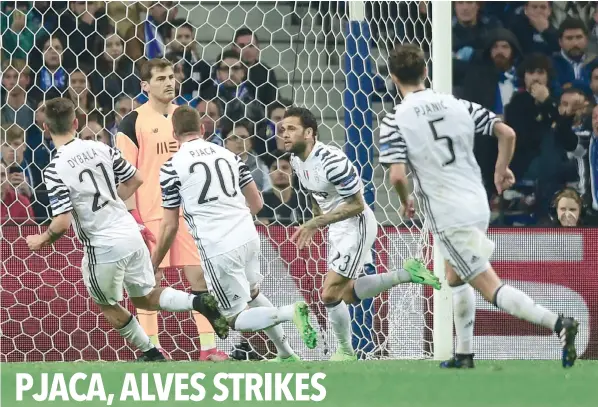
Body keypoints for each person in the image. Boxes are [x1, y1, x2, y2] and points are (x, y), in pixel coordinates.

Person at [379, 44, 579, 369]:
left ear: (393, 78)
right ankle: (464, 354)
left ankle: (558, 323)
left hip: (448, 213)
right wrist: (501, 170)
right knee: (455, 275)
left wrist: (406, 200)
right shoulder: (456, 104)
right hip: (477, 201)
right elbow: (507, 133)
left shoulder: (395, 120)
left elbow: (397, 174)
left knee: (488, 285)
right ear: (426, 72)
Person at [25, 98, 227, 362]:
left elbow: (61, 222)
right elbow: (137, 178)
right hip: (130, 232)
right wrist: (113, 203)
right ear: (76, 123)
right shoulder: (101, 148)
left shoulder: (54, 169)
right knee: (145, 298)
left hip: (102, 244)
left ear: (45, 128)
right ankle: (198, 303)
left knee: (106, 303)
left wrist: (42, 239)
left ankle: (151, 353)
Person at [151, 105, 317, 361]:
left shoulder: (172, 167)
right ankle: (286, 354)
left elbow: (170, 225)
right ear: (203, 129)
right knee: (253, 295)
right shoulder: (230, 156)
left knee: (234, 318)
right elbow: (258, 205)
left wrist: (154, 263)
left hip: (219, 247)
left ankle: (289, 312)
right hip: (249, 237)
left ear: (174, 134)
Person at [280, 107, 441, 361]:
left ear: (309, 133)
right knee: (348, 294)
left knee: (329, 294)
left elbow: (356, 204)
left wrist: (315, 224)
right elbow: (317, 195)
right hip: (337, 227)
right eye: (282, 129)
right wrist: (316, 223)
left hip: (357, 224)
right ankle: (407, 273)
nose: (284, 134)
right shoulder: (296, 161)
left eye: (291, 129)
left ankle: (345, 351)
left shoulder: (331, 161)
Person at [115, 58, 227, 361]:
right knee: (149, 284)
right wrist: (133, 217)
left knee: (200, 279)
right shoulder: (132, 123)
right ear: (145, 85)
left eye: (170, 76)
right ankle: (153, 348)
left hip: (190, 214)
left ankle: (209, 349)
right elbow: (125, 175)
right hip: (151, 214)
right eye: (161, 78)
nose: (168, 82)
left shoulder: (186, 118)